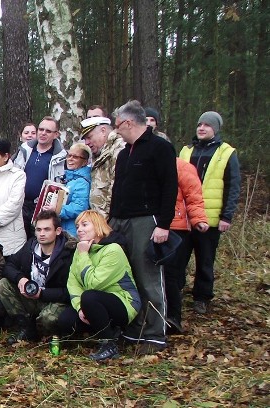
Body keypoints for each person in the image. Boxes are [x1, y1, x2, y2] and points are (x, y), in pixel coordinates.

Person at [109, 100, 177, 354]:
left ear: (128, 122)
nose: (116, 131)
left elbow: (170, 187)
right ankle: (135, 328)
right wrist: (112, 219)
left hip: (147, 221)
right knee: (128, 277)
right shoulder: (125, 153)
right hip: (121, 221)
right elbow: (118, 189)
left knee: (148, 276)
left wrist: (164, 225)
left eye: (117, 126)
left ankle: (154, 333)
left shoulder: (160, 148)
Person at [178, 111, 241, 315]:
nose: (201, 128)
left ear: (215, 129)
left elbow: (233, 186)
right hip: (185, 217)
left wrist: (226, 216)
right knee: (179, 258)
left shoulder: (226, 153)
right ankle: (176, 289)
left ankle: (202, 297)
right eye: (199, 124)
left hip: (211, 218)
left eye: (207, 125)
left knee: (205, 260)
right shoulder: (186, 151)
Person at [58, 210, 140, 361]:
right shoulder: (81, 249)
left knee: (89, 296)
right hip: (91, 302)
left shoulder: (113, 249)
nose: (79, 229)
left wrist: (83, 255)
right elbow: (73, 283)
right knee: (65, 320)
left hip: (123, 302)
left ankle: (109, 344)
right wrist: (80, 308)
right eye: (77, 226)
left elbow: (93, 283)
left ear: (97, 225)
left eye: (84, 224)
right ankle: (105, 331)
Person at [0, 210, 77, 344]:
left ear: (58, 231)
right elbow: (9, 265)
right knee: (3, 284)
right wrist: (21, 278)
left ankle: (49, 335)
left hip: (55, 301)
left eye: (47, 229)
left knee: (48, 318)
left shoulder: (68, 254)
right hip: (33, 296)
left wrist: (42, 294)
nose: (42, 234)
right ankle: (26, 328)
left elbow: (70, 291)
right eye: (38, 229)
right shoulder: (31, 245)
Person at [164, 158, 208, 333]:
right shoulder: (149, 165)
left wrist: (199, 219)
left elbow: (194, 196)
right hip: (156, 225)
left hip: (178, 227)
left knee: (172, 274)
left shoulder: (182, 167)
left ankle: (174, 317)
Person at [14, 116, 67, 238]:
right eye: (41, 129)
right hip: (21, 205)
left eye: (48, 131)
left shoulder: (61, 157)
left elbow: (62, 186)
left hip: (43, 208)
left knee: (40, 241)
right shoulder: (24, 150)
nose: (43, 133)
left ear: (56, 134)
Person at [41, 143, 91, 236]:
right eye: (69, 155)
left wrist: (57, 210)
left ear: (85, 162)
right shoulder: (70, 179)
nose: (70, 159)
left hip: (72, 230)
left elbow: (79, 208)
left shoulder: (82, 182)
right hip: (65, 227)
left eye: (75, 157)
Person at [80, 116, 124, 218]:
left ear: (103, 131)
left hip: (112, 220)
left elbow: (115, 189)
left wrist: (107, 221)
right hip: (100, 221)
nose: (86, 143)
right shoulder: (100, 152)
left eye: (89, 137)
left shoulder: (118, 149)